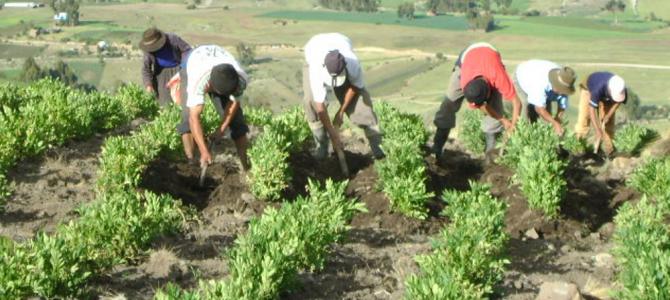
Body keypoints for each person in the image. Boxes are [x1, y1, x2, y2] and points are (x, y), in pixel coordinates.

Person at [432, 42, 522, 159]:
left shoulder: (498, 76)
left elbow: (517, 102)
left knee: (494, 113)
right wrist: (503, 120)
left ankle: (490, 159)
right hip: (466, 60)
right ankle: (436, 150)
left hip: (490, 57)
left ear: (490, 90)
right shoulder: (466, 83)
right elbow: (480, 105)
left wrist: (513, 126)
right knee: (448, 106)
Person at [302, 33, 384, 160]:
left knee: (361, 103)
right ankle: (322, 148)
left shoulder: (352, 63)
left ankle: (379, 149)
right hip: (314, 47)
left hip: (340, 40)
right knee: (310, 101)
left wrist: (341, 112)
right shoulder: (316, 67)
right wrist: (332, 133)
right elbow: (319, 106)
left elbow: (355, 86)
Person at [177, 45, 250, 171]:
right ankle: (191, 164)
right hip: (195, 62)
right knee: (186, 117)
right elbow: (194, 118)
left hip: (221, 70)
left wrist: (220, 130)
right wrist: (204, 150)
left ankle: (245, 167)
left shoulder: (241, 80)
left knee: (237, 122)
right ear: (210, 86)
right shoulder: (198, 80)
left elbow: (233, 104)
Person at [514, 59, 577, 136]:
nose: (561, 93)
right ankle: (522, 139)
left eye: (563, 90)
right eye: (560, 89)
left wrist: (557, 119)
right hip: (523, 77)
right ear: (555, 82)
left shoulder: (566, 80)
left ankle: (542, 139)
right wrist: (554, 123)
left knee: (548, 120)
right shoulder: (541, 83)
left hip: (541, 86)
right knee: (525, 113)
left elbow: (562, 105)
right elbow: (539, 108)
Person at [574, 71, 627, 155]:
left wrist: (608, 115)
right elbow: (592, 110)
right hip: (588, 89)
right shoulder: (598, 88)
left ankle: (610, 150)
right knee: (584, 118)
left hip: (606, 95)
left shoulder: (621, 88)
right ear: (610, 90)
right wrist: (598, 130)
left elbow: (618, 101)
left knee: (608, 123)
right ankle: (578, 147)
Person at [139, 27, 191, 107]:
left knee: (183, 100)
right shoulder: (148, 50)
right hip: (161, 74)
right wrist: (148, 85)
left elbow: (187, 51)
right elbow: (146, 69)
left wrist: (183, 67)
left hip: (179, 69)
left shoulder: (172, 39)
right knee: (165, 104)